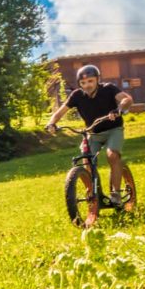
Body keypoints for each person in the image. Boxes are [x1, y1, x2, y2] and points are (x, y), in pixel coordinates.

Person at [45, 64, 134, 204]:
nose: (87, 85)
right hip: (93, 133)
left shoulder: (108, 89)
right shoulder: (77, 95)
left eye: (90, 81)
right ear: (79, 84)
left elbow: (127, 99)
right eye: (83, 83)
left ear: (98, 79)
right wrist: (51, 123)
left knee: (112, 155)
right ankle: (94, 192)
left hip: (113, 130)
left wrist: (119, 109)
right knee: (86, 159)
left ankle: (116, 194)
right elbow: (60, 112)